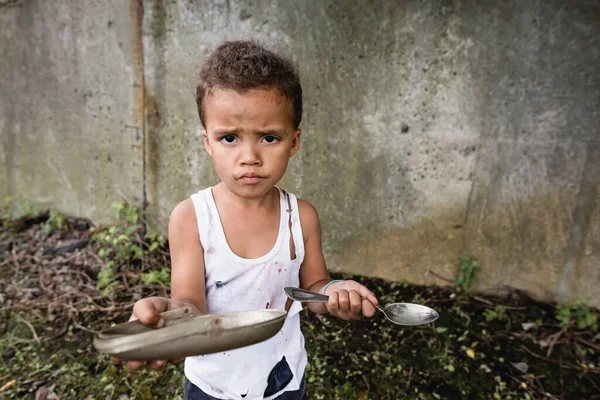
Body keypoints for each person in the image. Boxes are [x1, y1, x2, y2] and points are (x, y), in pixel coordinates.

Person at [122, 40, 379, 400]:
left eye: (269, 138)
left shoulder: (300, 218)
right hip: (213, 382)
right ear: (208, 142)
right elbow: (191, 303)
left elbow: (314, 289)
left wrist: (336, 292)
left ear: (294, 141)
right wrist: (171, 317)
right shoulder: (192, 218)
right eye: (229, 138)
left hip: (282, 377)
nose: (249, 157)